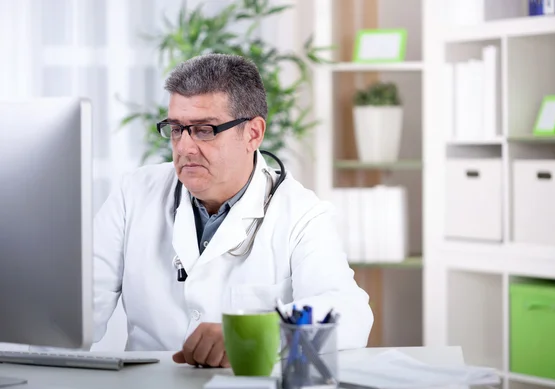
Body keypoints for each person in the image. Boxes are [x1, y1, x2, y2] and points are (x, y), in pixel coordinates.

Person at [93, 53, 373, 368]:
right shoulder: (134, 194)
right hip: (149, 388)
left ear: (253, 133)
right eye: (176, 129)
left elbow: (349, 314)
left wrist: (252, 334)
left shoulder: (301, 214)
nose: (184, 147)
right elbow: (80, 309)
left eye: (204, 130)